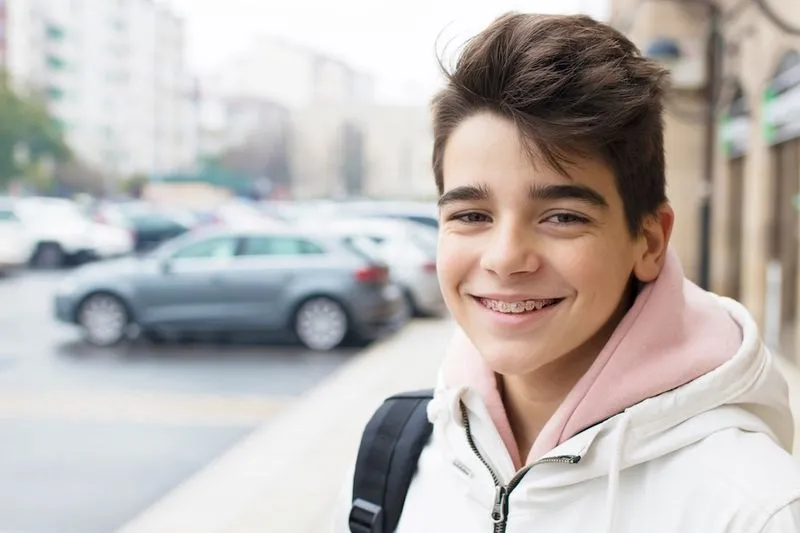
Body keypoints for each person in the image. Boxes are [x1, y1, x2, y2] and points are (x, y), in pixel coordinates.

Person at [333, 12, 800, 533]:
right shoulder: (398, 453)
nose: (506, 257)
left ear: (648, 241)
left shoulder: (755, 509)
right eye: (471, 216)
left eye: (562, 217)